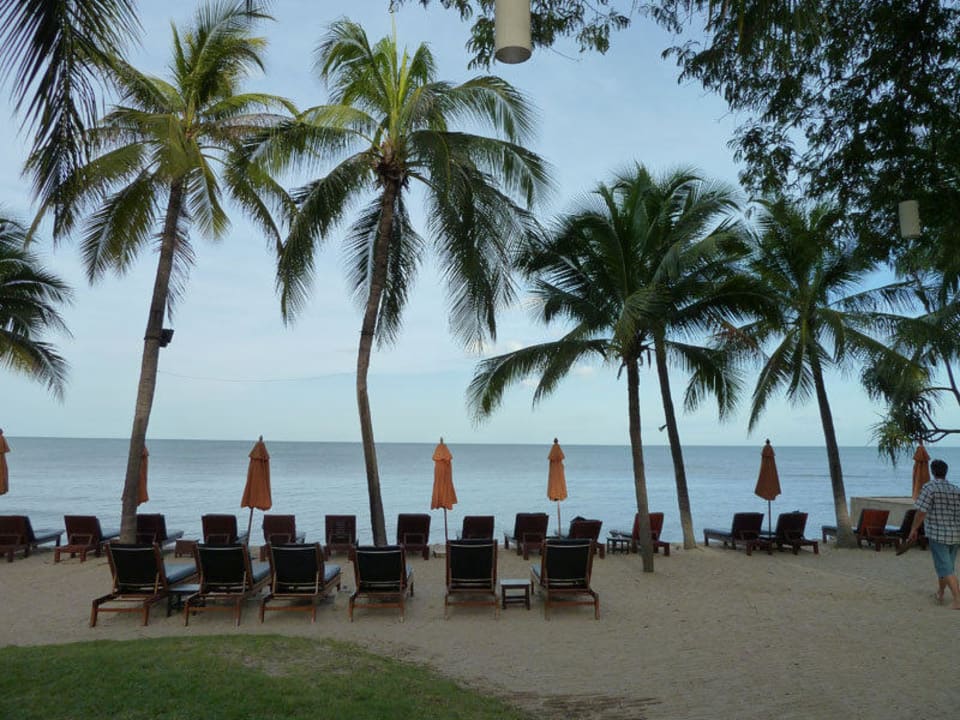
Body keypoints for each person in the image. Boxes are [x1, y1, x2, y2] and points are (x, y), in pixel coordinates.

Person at [909, 458, 960, 608]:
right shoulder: (955, 489)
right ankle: (940, 592)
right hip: (956, 534)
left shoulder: (929, 488)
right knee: (946, 566)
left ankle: (957, 600)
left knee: (945, 568)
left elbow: (921, 512)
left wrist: (914, 529)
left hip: (938, 533)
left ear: (932, 471)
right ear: (946, 472)